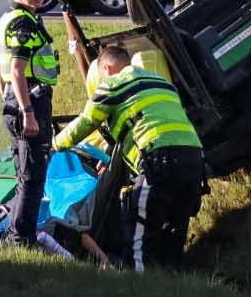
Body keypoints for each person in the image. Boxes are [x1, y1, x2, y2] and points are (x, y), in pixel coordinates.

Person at [53, 44, 204, 271]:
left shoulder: (113, 85)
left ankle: (138, 290)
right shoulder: (161, 82)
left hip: (158, 160)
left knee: (139, 232)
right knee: (176, 227)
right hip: (194, 158)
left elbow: (85, 123)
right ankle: (173, 282)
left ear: (107, 68)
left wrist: (55, 145)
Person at [0, 0, 61, 246]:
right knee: (33, 178)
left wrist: (8, 100)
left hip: (16, 98)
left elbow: (0, 72)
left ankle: (16, 235)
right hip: (30, 101)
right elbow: (19, 71)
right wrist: (27, 112)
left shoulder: (8, 18)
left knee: (23, 176)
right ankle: (22, 238)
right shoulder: (24, 23)